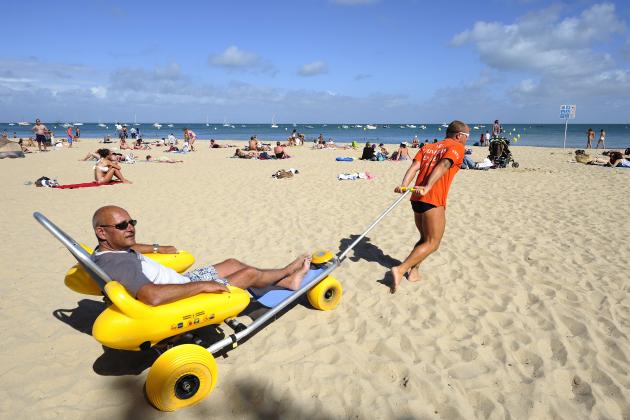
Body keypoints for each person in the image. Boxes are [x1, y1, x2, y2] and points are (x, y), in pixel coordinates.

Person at [90, 205, 311, 305]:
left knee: (231, 263)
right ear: (102, 232)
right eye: (122, 225)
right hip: (185, 294)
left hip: (184, 282)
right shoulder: (120, 264)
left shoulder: (107, 250)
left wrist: (158, 248)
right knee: (250, 273)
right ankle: (287, 275)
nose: (130, 228)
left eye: (132, 222)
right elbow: (152, 296)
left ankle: (279, 280)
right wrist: (203, 286)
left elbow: (132, 247)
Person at [390, 120, 469, 293]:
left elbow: (415, 166)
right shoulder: (457, 147)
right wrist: (428, 186)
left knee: (425, 238)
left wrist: (403, 185)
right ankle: (401, 269)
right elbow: (444, 164)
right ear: (459, 136)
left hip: (415, 199)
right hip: (431, 198)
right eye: (467, 137)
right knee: (433, 243)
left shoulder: (428, 147)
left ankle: (414, 272)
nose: (467, 140)